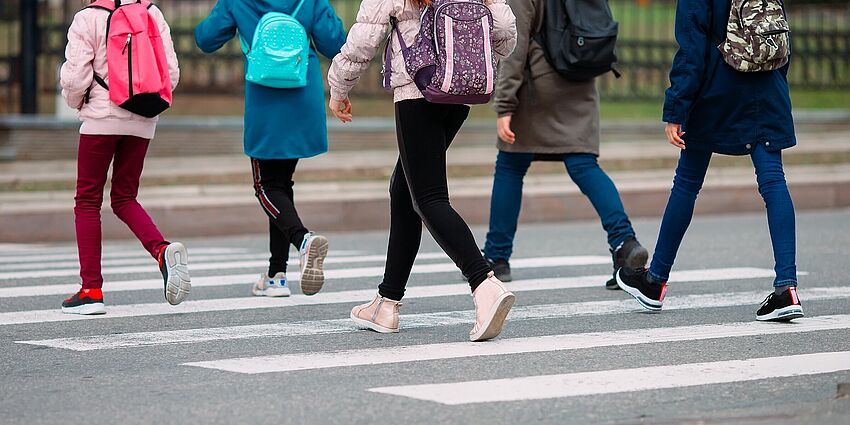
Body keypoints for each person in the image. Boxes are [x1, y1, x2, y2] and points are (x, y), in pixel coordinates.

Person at [328, 0, 518, 341]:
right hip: (460, 92)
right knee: (404, 190)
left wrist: (339, 87)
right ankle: (387, 302)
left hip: (418, 89)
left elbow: (365, 37)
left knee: (428, 197)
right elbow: (505, 34)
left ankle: (483, 283)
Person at [616, 0, 803, 322]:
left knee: (687, 183)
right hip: (768, 89)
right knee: (773, 180)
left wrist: (676, 109)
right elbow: (779, 36)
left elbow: (691, 52)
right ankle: (787, 288)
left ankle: (656, 281)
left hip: (716, 92)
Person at [487, 0, 647, 287]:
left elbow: (514, 44)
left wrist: (505, 105)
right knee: (584, 164)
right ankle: (624, 242)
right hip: (581, 78)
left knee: (510, 165)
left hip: (538, 88)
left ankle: (497, 258)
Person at [195, 0, 346, 297]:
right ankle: (277, 275)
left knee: (265, 186)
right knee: (280, 186)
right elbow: (335, 43)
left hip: (265, 97)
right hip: (303, 95)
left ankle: (303, 240)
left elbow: (205, 39)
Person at [59, 0, 189, 315]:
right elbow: (170, 73)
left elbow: (75, 79)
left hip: (100, 119)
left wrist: (78, 104)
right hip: (143, 119)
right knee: (125, 197)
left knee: (88, 200)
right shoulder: (152, 12)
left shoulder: (87, 17)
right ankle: (161, 250)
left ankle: (91, 290)